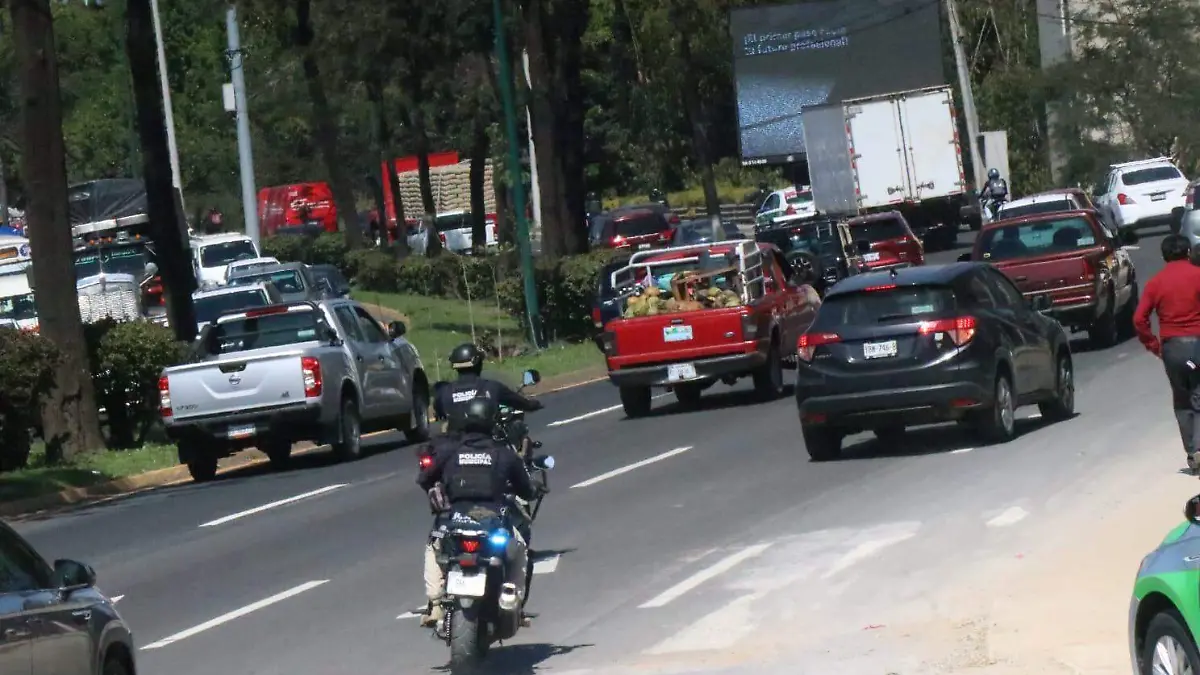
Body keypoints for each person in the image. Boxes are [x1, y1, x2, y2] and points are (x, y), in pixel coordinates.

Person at [416, 396, 539, 628]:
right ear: (492, 422)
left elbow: (424, 478)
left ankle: (434, 604)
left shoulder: (450, 451)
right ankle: (513, 599)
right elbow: (526, 489)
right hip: (492, 521)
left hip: (454, 520)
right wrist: (532, 490)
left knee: (433, 546)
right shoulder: (503, 453)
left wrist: (439, 491)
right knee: (520, 549)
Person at [1133, 234, 1200, 474]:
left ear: (1164, 256)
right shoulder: (1197, 276)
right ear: (1188, 253)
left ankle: (1193, 450)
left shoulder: (1155, 283)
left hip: (1172, 348)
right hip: (1198, 345)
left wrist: (1154, 345)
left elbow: (1139, 319)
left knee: (1182, 400)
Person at [433, 343, 544, 422]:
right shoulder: (491, 387)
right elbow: (517, 401)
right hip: (485, 443)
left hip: (454, 445)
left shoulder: (444, 392)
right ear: (479, 364)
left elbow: (438, 413)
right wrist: (532, 404)